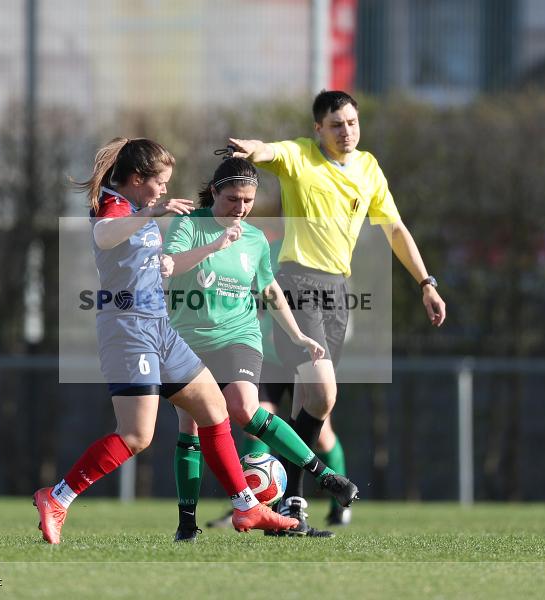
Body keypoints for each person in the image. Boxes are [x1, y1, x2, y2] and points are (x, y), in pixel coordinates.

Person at [33, 138, 298, 544]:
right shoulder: (114, 206)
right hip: (128, 330)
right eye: (159, 183)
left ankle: (246, 506)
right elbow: (104, 235)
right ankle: (57, 497)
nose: (163, 191)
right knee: (137, 435)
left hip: (161, 327)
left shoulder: (138, 210)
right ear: (138, 180)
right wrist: (152, 214)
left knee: (214, 409)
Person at [229, 90, 447, 536]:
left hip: (336, 292)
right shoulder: (301, 157)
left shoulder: (368, 168)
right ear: (318, 129)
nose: (346, 131)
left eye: (351, 122)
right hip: (296, 283)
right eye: (336, 125)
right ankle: (291, 494)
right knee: (323, 393)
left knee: (316, 404)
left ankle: (287, 501)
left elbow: (395, 227)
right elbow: (271, 152)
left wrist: (426, 282)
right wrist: (254, 149)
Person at [163, 157, 360, 541]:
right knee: (191, 426)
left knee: (243, 408)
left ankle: (324, 476)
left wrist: (299, 335)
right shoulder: (189, 224)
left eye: (248, 201)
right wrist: (216, 244)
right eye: (233, 199)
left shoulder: (253, 239)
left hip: (239, 337)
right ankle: (187, 524)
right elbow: (170, 265)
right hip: (189, 339)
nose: (240, 208)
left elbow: (270, 290)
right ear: (215, 191)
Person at [203, 236, 354, 531]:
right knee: (255, 420)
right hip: (268, 358)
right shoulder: (265, 249)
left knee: (322, 436)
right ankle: (252, 502)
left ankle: (339, 505)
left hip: (303, 357)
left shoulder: (321, 254)